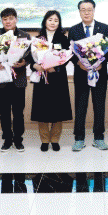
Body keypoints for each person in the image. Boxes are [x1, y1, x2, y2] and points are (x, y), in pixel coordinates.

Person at [68, 0, 108, 151]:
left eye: (89, 9)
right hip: (81, 74)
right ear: (79, 12)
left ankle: (99, 137)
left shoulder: (104, 28)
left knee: (99, 107)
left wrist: (101, 63)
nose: (86, 12)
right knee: (80, 107)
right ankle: (79, 138)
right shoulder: (73, 30)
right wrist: (78, 63)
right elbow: (70, 52)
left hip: (100, 74)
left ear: (94, 10)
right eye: (83, 10)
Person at [27, 10, 72, 152]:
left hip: (58, 77)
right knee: (42, 109)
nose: (53, 22)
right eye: (50, 19)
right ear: (45, 21)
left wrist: (55, 67)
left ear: (59, 23)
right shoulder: (37, 39)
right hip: (42, 78)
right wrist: (36, 66)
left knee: (58, 109)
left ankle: (55, 139)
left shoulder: (63, 39)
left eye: (56, 20)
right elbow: (30, 58)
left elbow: (66, 58)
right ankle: (45, 140)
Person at [0, 8, 30, 153]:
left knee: (18, 112)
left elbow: (30, 56)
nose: (8, 21)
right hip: (2, 80)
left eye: (11, 18)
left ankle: (18, 140)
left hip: (18, 79)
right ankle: (7, 139)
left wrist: (23, 62)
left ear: (16, 19)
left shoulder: (24, 36)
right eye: (5, 19)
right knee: (4, 112)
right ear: (1, 21)